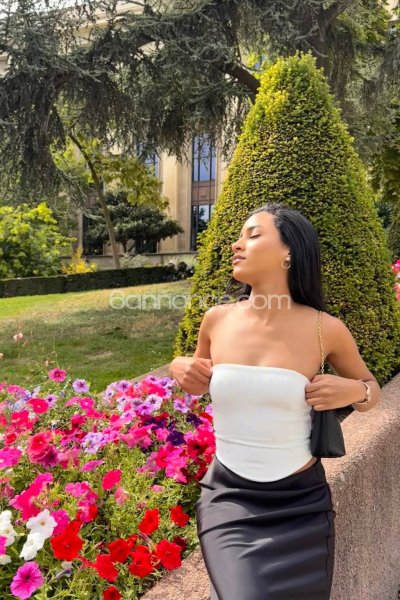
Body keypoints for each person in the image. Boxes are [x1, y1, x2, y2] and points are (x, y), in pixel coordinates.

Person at [169, 203, 380, 600]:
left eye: (252, 235)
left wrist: (355, 391)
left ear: (288, 252)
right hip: (230, 499)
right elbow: (197, 381)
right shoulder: (217, 320)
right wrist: (177, 367)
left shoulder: (326, 328)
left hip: (303, 504)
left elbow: (371, 389)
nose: (236, 244)